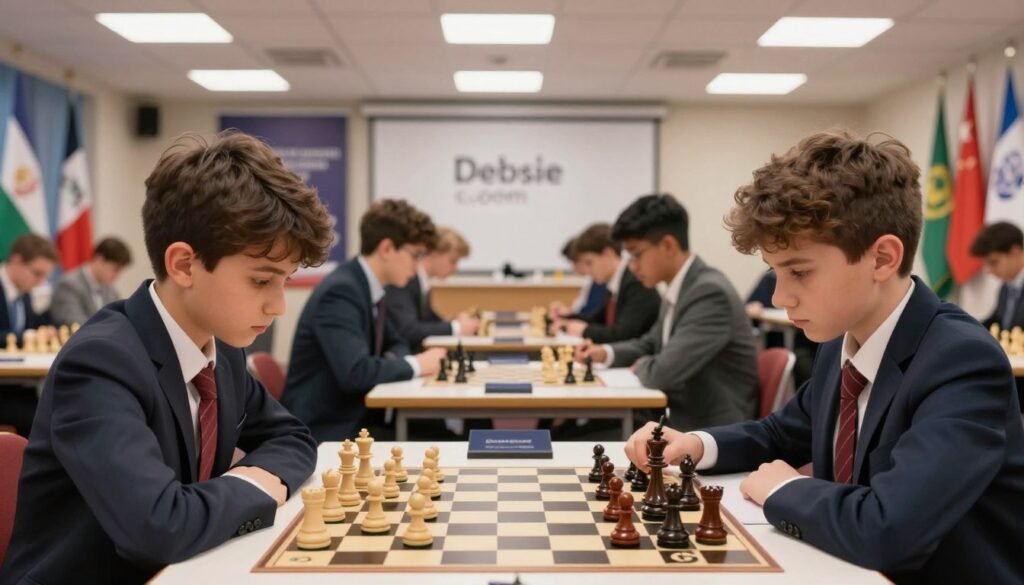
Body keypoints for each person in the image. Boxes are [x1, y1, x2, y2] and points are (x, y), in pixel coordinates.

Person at [624, 130, 1024, 584]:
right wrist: (697, 444)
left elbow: (889, 530)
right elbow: (781, 433)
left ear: (882, 258)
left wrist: (785, 489)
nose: (779, 297)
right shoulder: (842, 340)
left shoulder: (961, 361)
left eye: (799, 271)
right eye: (775, 272)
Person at [0, 131, 335, 585]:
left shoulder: (223, 353)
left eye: (286, 281)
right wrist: (254, 486)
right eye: (261, 281)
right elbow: (157, 528)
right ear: (183, 264)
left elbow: (294, 437)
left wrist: (225, 495)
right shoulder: (100, 363)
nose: (278, 306)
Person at [576, 194, 758, 430]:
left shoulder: (709, 293)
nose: (632, 266)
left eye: (636, 254)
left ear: (668, 246)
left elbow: (661, 373)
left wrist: (642, 365)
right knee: (568, 433)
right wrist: (605, 353)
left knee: (570, 437)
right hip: (674, 417)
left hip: (707, 430)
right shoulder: (681, 286)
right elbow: (651, 344)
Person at [282, 199, 447, 442]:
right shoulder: (341, 291)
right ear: (387, 249)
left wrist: (394, 362)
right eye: (415, 255)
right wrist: (418, 364)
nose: (417, 267)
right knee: (443, 441)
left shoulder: (369, 287)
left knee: (443, 433)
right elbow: (356, 373)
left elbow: (397, 341)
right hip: (327, 429)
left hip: (359, 418)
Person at [553, 223, 660, 343]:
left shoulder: (636, 282)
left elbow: (622, 334)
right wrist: (566, 318)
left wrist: (584, 330)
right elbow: (598, 320)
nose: (587, 271)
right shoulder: (615, 282)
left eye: (589, 263)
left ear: (608, 253)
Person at [0, 234, 58, 436]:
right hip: (4, 391)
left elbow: (34, 325)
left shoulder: (23, 294)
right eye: (37, 273)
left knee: (64, 407)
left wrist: (47, 331)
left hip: (19, 388)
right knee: (47, 418)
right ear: (16, 260)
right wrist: (28, 336)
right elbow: (24, 334)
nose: (40, 282)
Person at [385, 227, 479, 352]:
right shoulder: (405, 280)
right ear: (433, 253)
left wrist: (454, 322)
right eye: (452, 261)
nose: (455, 268)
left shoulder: (423, 282)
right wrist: (456, 327)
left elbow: (429, 320)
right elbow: (408, 329)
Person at [50, 236, 132, 326]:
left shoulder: (110, 290)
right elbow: (74, 323)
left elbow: (119, 320)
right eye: (115, 269)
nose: (117, 275)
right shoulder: (69, 285)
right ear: (99, 260)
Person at [970, 221, 1024, 330]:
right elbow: (996, 322)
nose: (989, 271)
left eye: (993, 262)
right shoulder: (1006, 289)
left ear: (1015, 252)